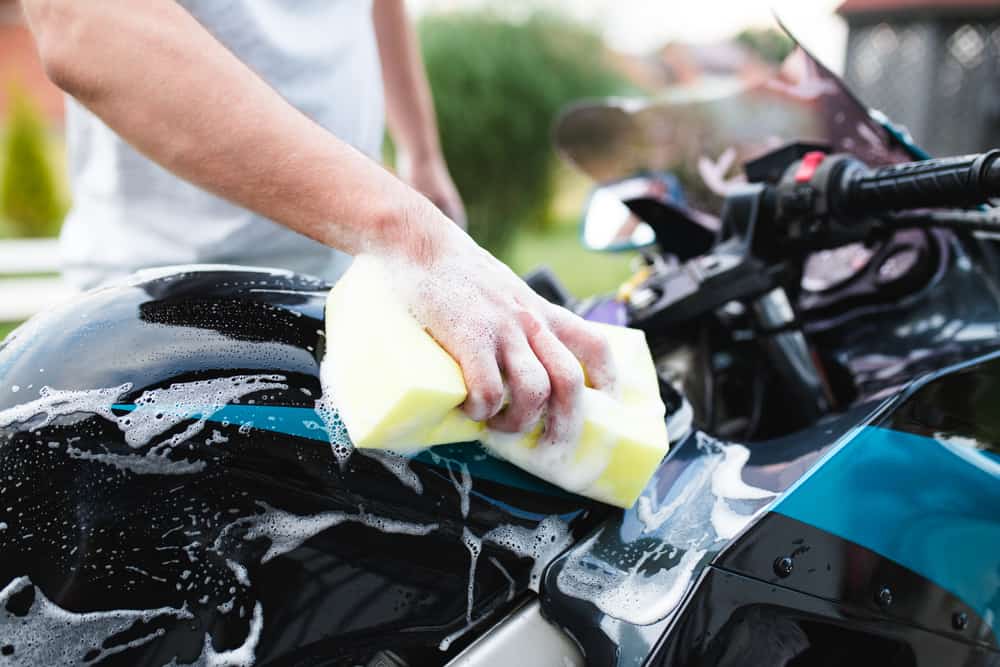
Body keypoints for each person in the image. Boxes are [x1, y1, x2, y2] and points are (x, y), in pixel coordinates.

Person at [20, 0, 616, 443]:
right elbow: (86, 23)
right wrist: (410, 235)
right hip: (155, 324)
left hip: (338, 300)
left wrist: (421, 155)